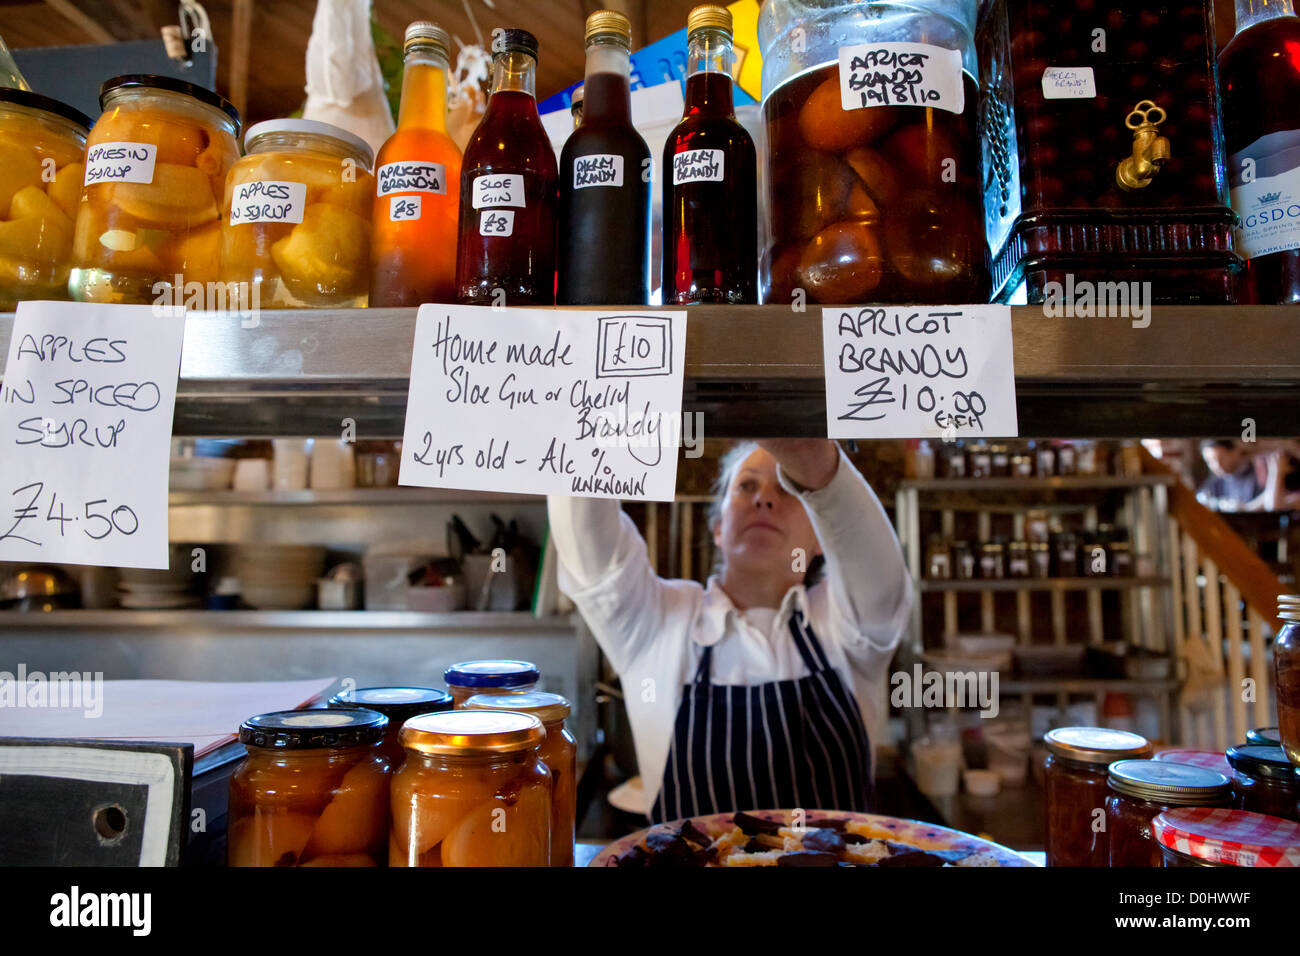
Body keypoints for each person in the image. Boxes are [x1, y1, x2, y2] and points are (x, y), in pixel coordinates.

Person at [547, 439, 913, 822]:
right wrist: (591, 415)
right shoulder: (657, 623)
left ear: (822, 537)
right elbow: (590, 554)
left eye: (786, 490)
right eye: (747, 486)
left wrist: (820, 470)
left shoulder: (846, 624)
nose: (764, 500)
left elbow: (879, 575)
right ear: (719, 527)